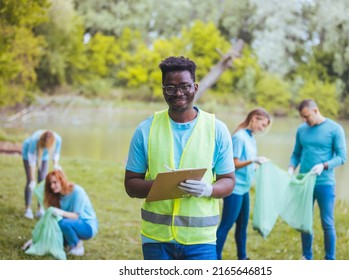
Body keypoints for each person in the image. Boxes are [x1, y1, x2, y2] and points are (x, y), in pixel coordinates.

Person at [124, 56, 235, 260]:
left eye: (184, 86)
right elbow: (131, 185)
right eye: (170, 88)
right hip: (156, 240)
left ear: (195, 87)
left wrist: (209, 189)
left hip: (201, 241)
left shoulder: (217, 129)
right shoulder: (145, 130)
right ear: (163, 89)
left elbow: (228, 181)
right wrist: (163, 185)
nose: (178, 93)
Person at [288, 99, 347, 260]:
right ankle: (307, 256)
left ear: (315, 110)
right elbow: (296, 154)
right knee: (305, 221)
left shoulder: (335, 129)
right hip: (305, 182)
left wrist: (324, 165)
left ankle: (329, 259)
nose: (305, 120)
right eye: (302, 117)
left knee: (327, 223)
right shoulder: (301, 130)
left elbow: (342, 157)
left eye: (307, 116)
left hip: (324, 183)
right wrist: (291, 167)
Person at [216, 108, 271, 260]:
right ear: (254, 119)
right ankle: (214, 258)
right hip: (234, 189)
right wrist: (252, 160)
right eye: (262, 124)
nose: (263, 128)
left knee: (242, 227)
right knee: (226, 225)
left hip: (244, 188)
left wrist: (256, 164)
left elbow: (247, 162)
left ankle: (243, 258)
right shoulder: (239, 137)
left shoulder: (251, 136)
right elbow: (233, 164)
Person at [44, 169, 98, 256]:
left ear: (62, 180)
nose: (52, 186)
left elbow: (76, 216)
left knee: (63, 224)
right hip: (70, 224)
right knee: (53, 239)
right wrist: (36, 240)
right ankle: (71, 244)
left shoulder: (77, 191)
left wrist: (59, 212)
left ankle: (78, 245)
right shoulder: (57, 196)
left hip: (87, 226)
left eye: (55, 182)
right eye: (50, 184)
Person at [22, 129, 62, 219]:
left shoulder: (58, 139)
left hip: (44, 157)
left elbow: (56, 154)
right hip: (28, 155)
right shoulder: (34, 139)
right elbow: (31, 160)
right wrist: (32, 179)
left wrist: (55, 165)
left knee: (43, 181)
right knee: (29, 182)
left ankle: (40, 209)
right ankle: (28, 209)